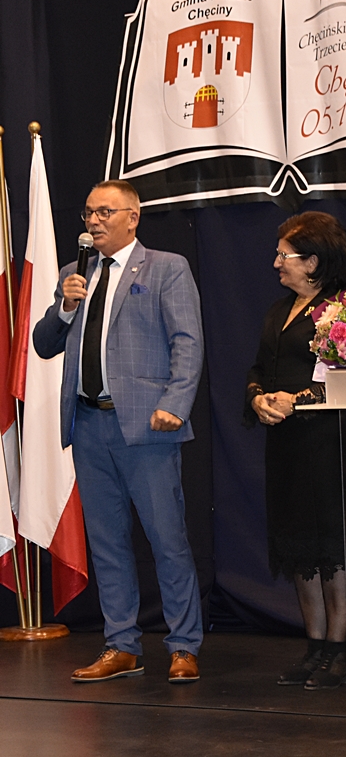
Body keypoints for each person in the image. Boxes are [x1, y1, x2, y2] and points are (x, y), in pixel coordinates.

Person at [33, 180, 204, 684]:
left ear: (133, 217)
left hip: (147, 425)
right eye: (89, 212)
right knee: (106, 543)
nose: (94, 220)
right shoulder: (75, 273)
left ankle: (184, 645)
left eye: (105, 211)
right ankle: (121, 645)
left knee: (167, 540)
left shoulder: (166, 268)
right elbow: (43, 344)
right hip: (88, 424)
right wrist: (64, 308)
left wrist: (175, 403)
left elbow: (188, 340)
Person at [244, 211, 346, 690]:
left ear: (313, 261)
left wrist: (297, 400)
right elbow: (258, 367)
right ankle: (315, 647)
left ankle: (339, 650)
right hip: (285, 442)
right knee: (298, 542)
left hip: (327, 441)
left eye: (285, 255)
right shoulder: (279, 309)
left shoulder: (342, 312)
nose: (276, 262)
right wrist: (258, 398)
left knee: (332, 542)